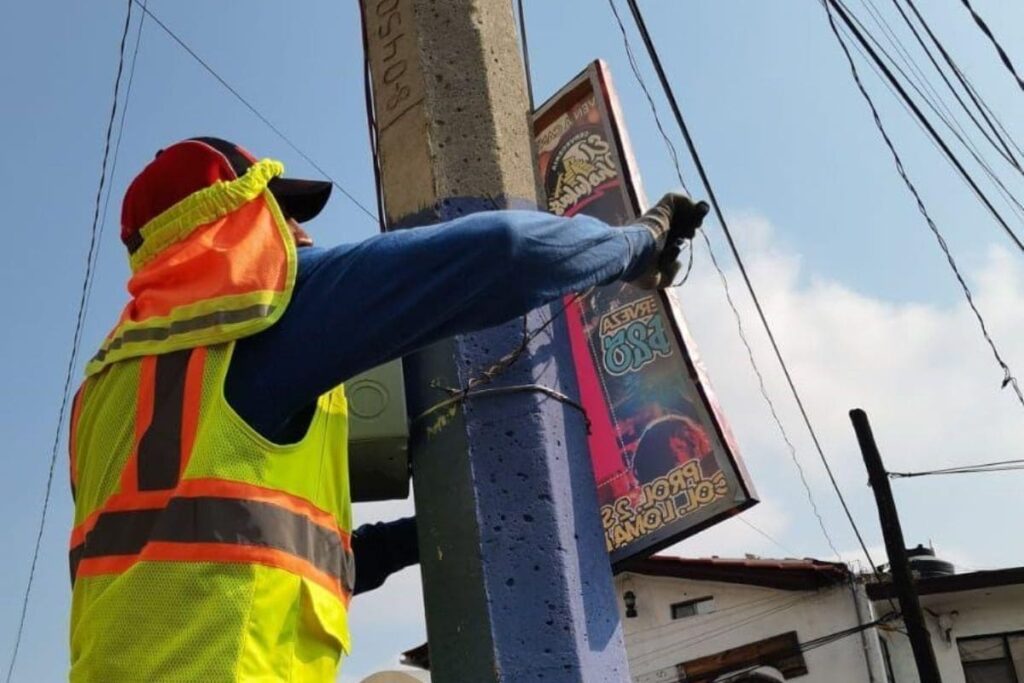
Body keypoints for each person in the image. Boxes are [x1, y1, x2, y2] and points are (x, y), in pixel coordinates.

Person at [66, 137, 706, 682]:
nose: (304, 234)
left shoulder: (105, 392)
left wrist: (441, 527)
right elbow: (507, 252)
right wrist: (639, 245)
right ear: (232, 220)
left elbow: (243, 548)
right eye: (282, 215)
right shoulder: (253, 320)